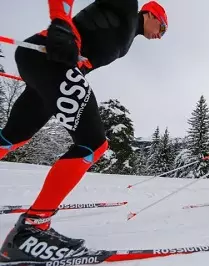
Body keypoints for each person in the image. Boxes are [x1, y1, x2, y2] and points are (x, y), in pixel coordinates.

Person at [0, 0, 167, 263]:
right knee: (93, 145)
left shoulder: (127, 35)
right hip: (49, 58)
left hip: (48, 64)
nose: (160, 35)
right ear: (150, 13)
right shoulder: (126, 6)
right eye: (163, 27)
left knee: (12, 137)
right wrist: (61, 23)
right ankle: (33, 229)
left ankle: (34, 227)